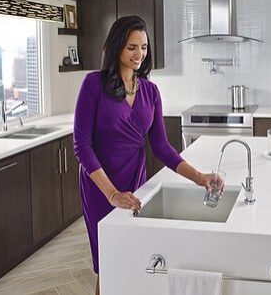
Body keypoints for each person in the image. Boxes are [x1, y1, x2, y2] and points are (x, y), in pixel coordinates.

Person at [73, 16, 217, 295]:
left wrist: (199, 177)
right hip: (100, 187)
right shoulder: (93, 85)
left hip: (136, 181)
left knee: (132, 255)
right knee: (108, 260)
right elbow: (82, 146)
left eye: (144, 47)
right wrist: (112, 193)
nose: (139, 54)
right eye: (131, 47)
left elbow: (162, 146)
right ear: (115, 47)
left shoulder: (150, 91)